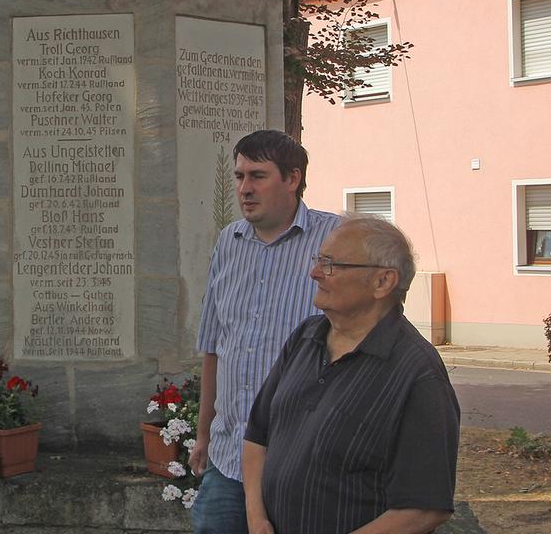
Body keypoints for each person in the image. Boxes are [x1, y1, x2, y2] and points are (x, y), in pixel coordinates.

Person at [242, 216, 460, 534]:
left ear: (383, 282)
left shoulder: (418, 374)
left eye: (331, 264)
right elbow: (257, 437)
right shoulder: (305, 337)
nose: (315, 272)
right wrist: (257, 519)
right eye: (319, 260)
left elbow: (424, 508)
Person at [190, 129, 340, 533]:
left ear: (292, 179)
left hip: (299, 459)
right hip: (228, 458)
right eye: (239, 177)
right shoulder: (228, 242)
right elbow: (214, 348)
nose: (245, 189)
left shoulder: (335, 241)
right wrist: (203, 434)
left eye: (258, 176)